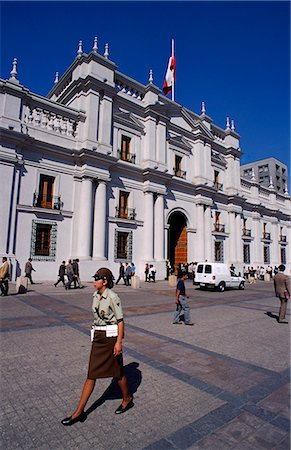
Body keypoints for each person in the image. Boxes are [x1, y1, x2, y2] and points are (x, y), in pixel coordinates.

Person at [61, 267, 133, 426]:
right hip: (99, 338)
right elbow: (98, 316)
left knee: (117, 372)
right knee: (92, 373)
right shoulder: (95, 295)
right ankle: (79, 412)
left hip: (111, 339)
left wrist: (119, 342)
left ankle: (127, 398)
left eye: (97, 278)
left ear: (105, 281)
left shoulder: (113, 297)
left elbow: (120, 321)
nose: (94, 281)